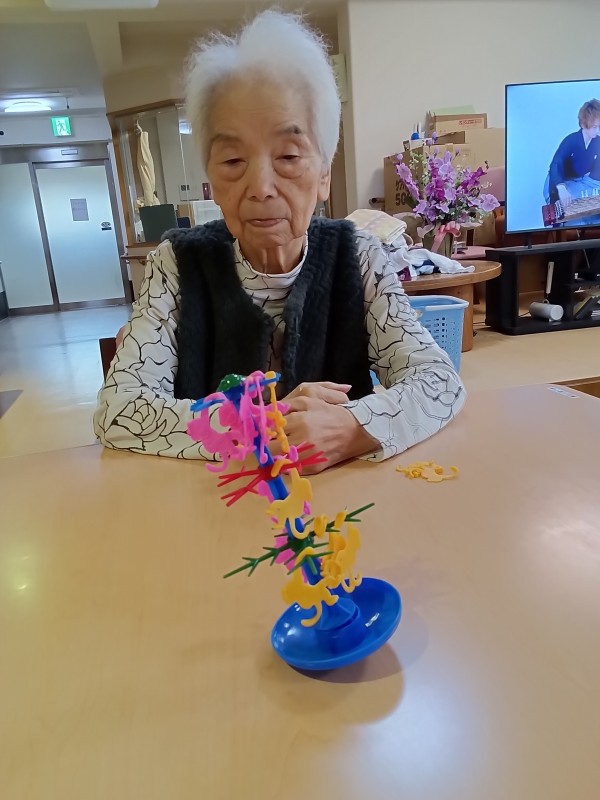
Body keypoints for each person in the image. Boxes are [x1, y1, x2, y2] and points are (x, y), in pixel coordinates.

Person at [93, 10, 466, 472]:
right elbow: (119, 412)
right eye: (233, 161)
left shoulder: (359, 257)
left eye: (288, 155)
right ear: (211, 179)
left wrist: (352, 426)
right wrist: (259, 423)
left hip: (340, 503)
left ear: (324, 173)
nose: (261, 187)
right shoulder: (176, 265)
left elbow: (439, 381)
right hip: (211, 499)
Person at [548, 99, 600, 209]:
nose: (597, 131)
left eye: (599, 127)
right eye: (594, 127)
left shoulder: (597, 142)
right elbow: (556, 163)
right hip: (561, 181)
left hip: (583, 182)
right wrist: (561, 187)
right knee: (563, 206)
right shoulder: (571, 140)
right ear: (583, 124)